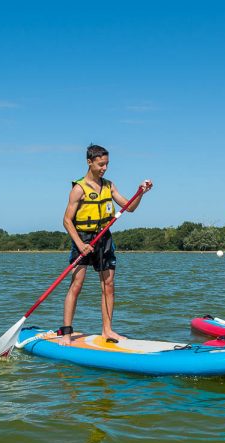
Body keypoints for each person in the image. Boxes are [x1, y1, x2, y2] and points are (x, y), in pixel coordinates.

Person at [59, 144, 153, 346]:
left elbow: (130, 208)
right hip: (83, 238)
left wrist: (141, 193)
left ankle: (107, 330)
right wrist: (80, 244)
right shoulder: (79, 189)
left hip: (104, 239)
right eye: (101, 164)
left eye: (107, 164)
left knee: (108, 285)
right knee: (77, 285)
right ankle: (66, 332)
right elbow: (67, 221)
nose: (104, 168)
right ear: (89, 162)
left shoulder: (109, 186)